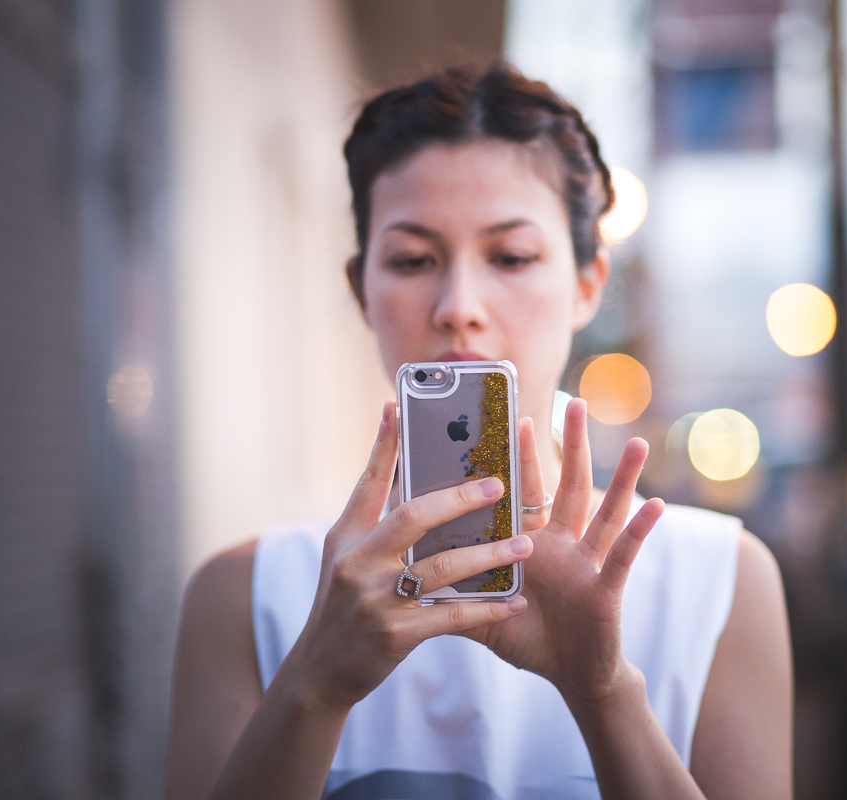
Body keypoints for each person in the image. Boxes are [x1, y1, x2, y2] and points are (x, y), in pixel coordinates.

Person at [165, 64, 792, 800]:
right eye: (413, 260)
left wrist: (604, 692)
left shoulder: (719, 580)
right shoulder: (248, 593)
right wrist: (315, 685)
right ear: (360, 287)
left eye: (511, 256)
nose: (458, 305)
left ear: (588, 283)